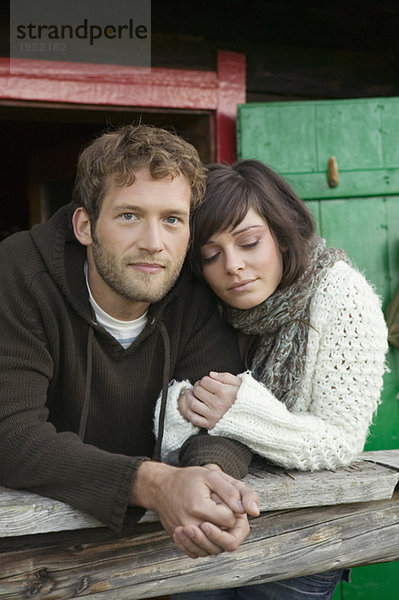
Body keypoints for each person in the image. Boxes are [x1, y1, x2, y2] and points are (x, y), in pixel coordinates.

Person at [0, 125, 260, 560]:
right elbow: (11, 433)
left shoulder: (192, 286)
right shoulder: (22, 272)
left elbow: (221, 415)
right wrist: (157, 484)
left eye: (172, 220)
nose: (154, 244)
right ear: (85, 225)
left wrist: (212, 481)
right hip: (26, 553)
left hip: (162, 554)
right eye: (129, 215)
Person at [156, 159, 388, 598]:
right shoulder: (205, 308)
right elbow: (175, 414)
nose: (233, 266)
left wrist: (240, 410)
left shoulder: (342, 297)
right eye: (211, 254)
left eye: (248, 243)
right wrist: (182, 407)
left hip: (304, 537)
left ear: (281, 234)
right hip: (211, 528)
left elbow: (341, 440)